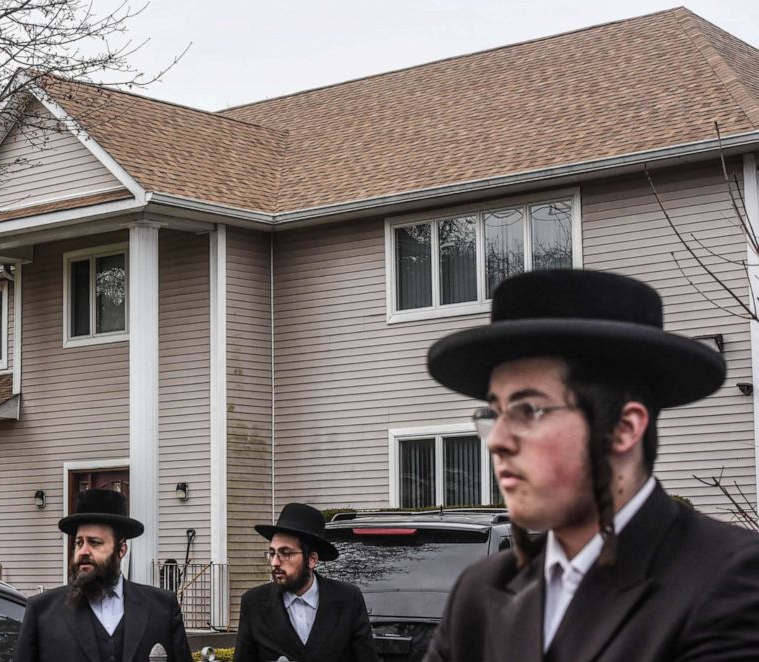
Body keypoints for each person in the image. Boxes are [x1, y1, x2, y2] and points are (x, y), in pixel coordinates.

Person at [424, 269, 759, 662]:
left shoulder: (730, 580)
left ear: (623, 427)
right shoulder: (480, 592)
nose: (497, 440)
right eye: (494, 413)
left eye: (528, 410)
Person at [13, 488, 193, 662]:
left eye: (94, 542)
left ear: (121, 549)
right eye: (78, 543)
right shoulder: (42, 612)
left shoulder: (162, 609)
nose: (83, 551)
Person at [234, 502, 377, 662]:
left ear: (311, 560)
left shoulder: (348, 599)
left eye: (285, 553)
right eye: (272, 553)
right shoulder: (254, 603)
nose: (275, 562)